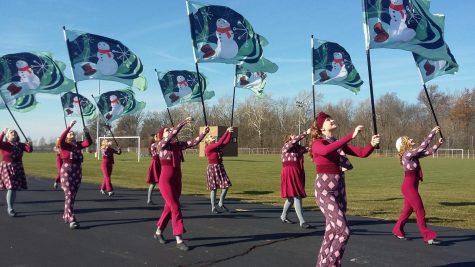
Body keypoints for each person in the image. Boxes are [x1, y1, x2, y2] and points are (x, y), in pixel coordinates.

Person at [310, 112, 380, 267]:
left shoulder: (336, 142)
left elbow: (361, 153)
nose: (332, 120)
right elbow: (326, 151)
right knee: (343, 230)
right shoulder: (317, 143)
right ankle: (332, 264)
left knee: (331, 232)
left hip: (339, 189)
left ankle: (322, 264)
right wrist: (351, 135)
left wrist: (372, 145)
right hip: (324, 192)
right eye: (328, 120)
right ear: (321, 128)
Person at [153, 117, 209, 251]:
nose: (169, 131)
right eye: (167, 131)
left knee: (169, 208)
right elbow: (172, 134)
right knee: (175, 206)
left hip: (177, 179)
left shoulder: (177, 145)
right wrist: (183, 122)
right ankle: (179, 238)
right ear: (162, 135)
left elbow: (193, 142)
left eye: (169, 130)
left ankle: (158, 232)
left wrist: (204, 133)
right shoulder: (161, 144)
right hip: (165, 180)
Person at [392, 126, 444, 245]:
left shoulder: (413, 154)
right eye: (408, 139)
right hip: (408, 187)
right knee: (420, 209)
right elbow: (422, 147)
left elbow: (429, 151)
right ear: (404, 144)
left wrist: (438, 143)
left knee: (407, 210)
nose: (411, 139)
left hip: (412, 186)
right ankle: (427, 236)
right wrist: (432, 133)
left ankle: (397, 229)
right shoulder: (407, 154)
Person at [58, 120, 92, 229]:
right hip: (67, 170)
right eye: (70, 133)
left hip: (77, 170)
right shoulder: (63, 145)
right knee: (69, 193)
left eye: (73, 133)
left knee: (72, 195)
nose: (72, 134)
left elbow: (89, 142)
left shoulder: (77, 144)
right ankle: (71, 218)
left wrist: (87, 133)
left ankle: (66, 215)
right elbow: (61, 137)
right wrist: (69, 127)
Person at [280, 128, 312, 229]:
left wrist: (316, 138)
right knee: (297, 195)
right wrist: (306, 133)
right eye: (292, 135)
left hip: (297, 172)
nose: (294, 136)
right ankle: (302, 221)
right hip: (289, 172)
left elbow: (310, 148)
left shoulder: (298, 148)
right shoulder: (286, 147)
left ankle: (283, 216)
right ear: (288, 139)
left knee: (291, 197)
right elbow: (294, 141)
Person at [0, 128, 33, 216]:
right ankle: (10, 208)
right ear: (7, 136)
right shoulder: (5, 144)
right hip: (7, 166)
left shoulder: (20, 145)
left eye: (14, 132)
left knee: (13, 188)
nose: (13, 133)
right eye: (11, 132)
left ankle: (11, 206)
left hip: (17, 166)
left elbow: (29, 150)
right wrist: (2, 133)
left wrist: (30, 144)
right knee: (10, 187)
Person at [204, 127, 233, 213]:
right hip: (212, 168)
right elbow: (220, 142)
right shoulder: (209, 147)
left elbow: (226, 142)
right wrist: (226, 131)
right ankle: (213, 207)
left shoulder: (216, 146)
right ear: (208, 141)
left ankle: (220, 202)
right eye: (211, 137)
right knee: (214, 189)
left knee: (226, 186)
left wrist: (230, 133)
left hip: (220, 167)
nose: (213, 137)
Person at [146, 133, 161, 205]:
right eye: (156, 136)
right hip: (155, 164)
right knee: (153, 183)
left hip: (159, 163)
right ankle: (149, 199)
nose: (158, 137)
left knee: (162, 182)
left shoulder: (156, 144)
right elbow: (160, 145)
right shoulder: (153, 145)